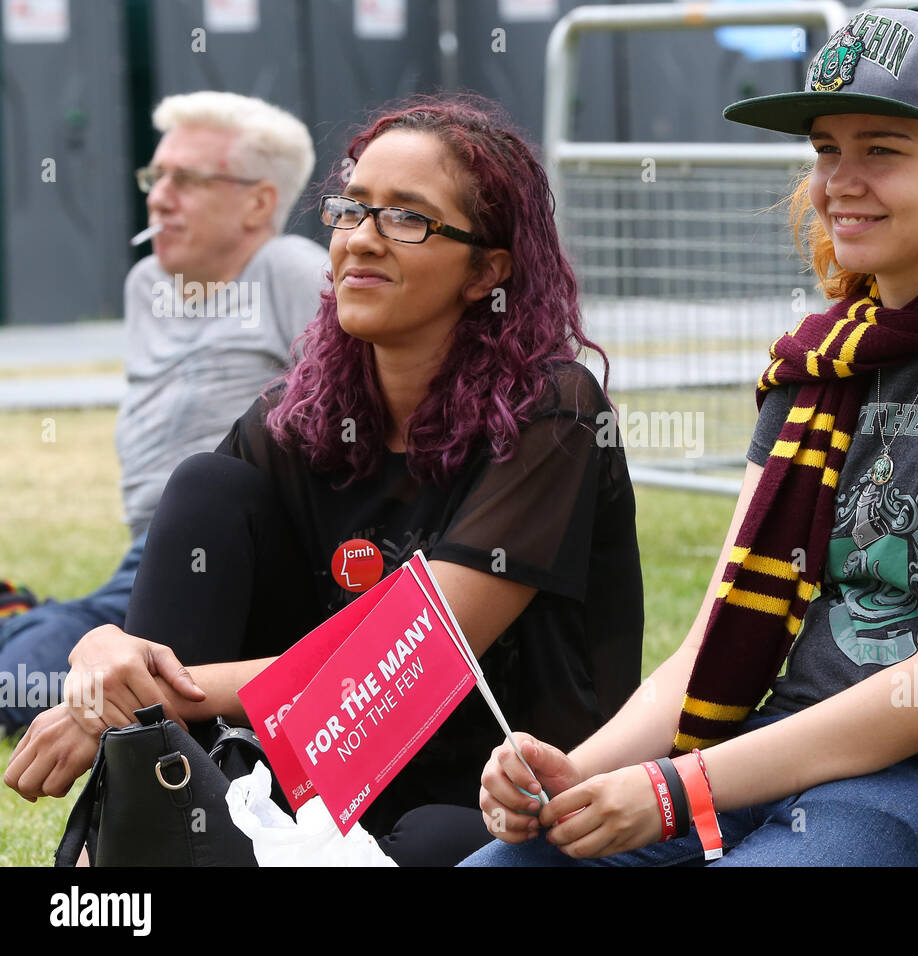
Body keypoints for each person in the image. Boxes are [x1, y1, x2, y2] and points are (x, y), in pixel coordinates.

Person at [464, 8, 918, 867]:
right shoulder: (816, 365)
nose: (839, 182)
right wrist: (569, 779)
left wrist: (682, 788)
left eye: (882, 149)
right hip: (784, 759)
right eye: (827, 149)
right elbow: (704, 648)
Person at [4, 93, 644, 867]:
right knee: (207, 489)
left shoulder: (553, 411)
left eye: (407, 219)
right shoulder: (301, 414)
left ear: (488, 272)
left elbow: (410, 657)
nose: (362, 241)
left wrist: (141, 693)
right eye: (351, 210)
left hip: (491, 798)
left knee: (436, 844)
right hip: (317, 780)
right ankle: (146, 826)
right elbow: (169, 630)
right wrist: (108, 654)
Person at [0, 91, 326, 734]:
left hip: (219, 557)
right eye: (156, 176)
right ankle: (38, 619)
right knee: (41, 660)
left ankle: (30, 621)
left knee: (23, 682)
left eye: (188, 179)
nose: (158, 196)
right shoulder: (148, 283)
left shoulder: (290, 270)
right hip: (143, 553)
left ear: (259, 202)